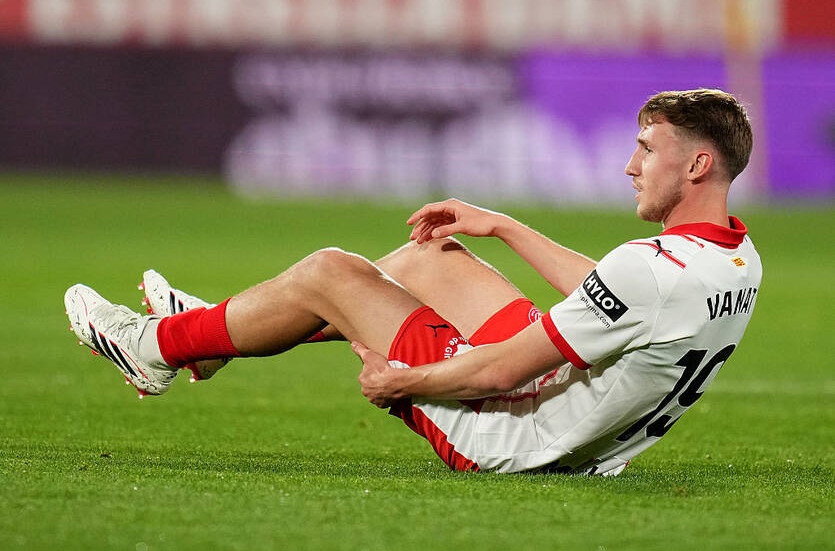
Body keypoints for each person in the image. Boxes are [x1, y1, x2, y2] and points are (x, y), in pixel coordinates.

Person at [65, 88, 761, 475]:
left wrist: (400, 383)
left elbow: (499, 372)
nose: (630, 166)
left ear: (697, 165)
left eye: (646, 149)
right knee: (430, 256)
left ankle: (157, 346)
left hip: (509, 432)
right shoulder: (733, 258)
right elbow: (615, 291)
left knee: (332, 271)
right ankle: (211, 337)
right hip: (579, 430)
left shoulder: (648, 271)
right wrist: (503, 226)